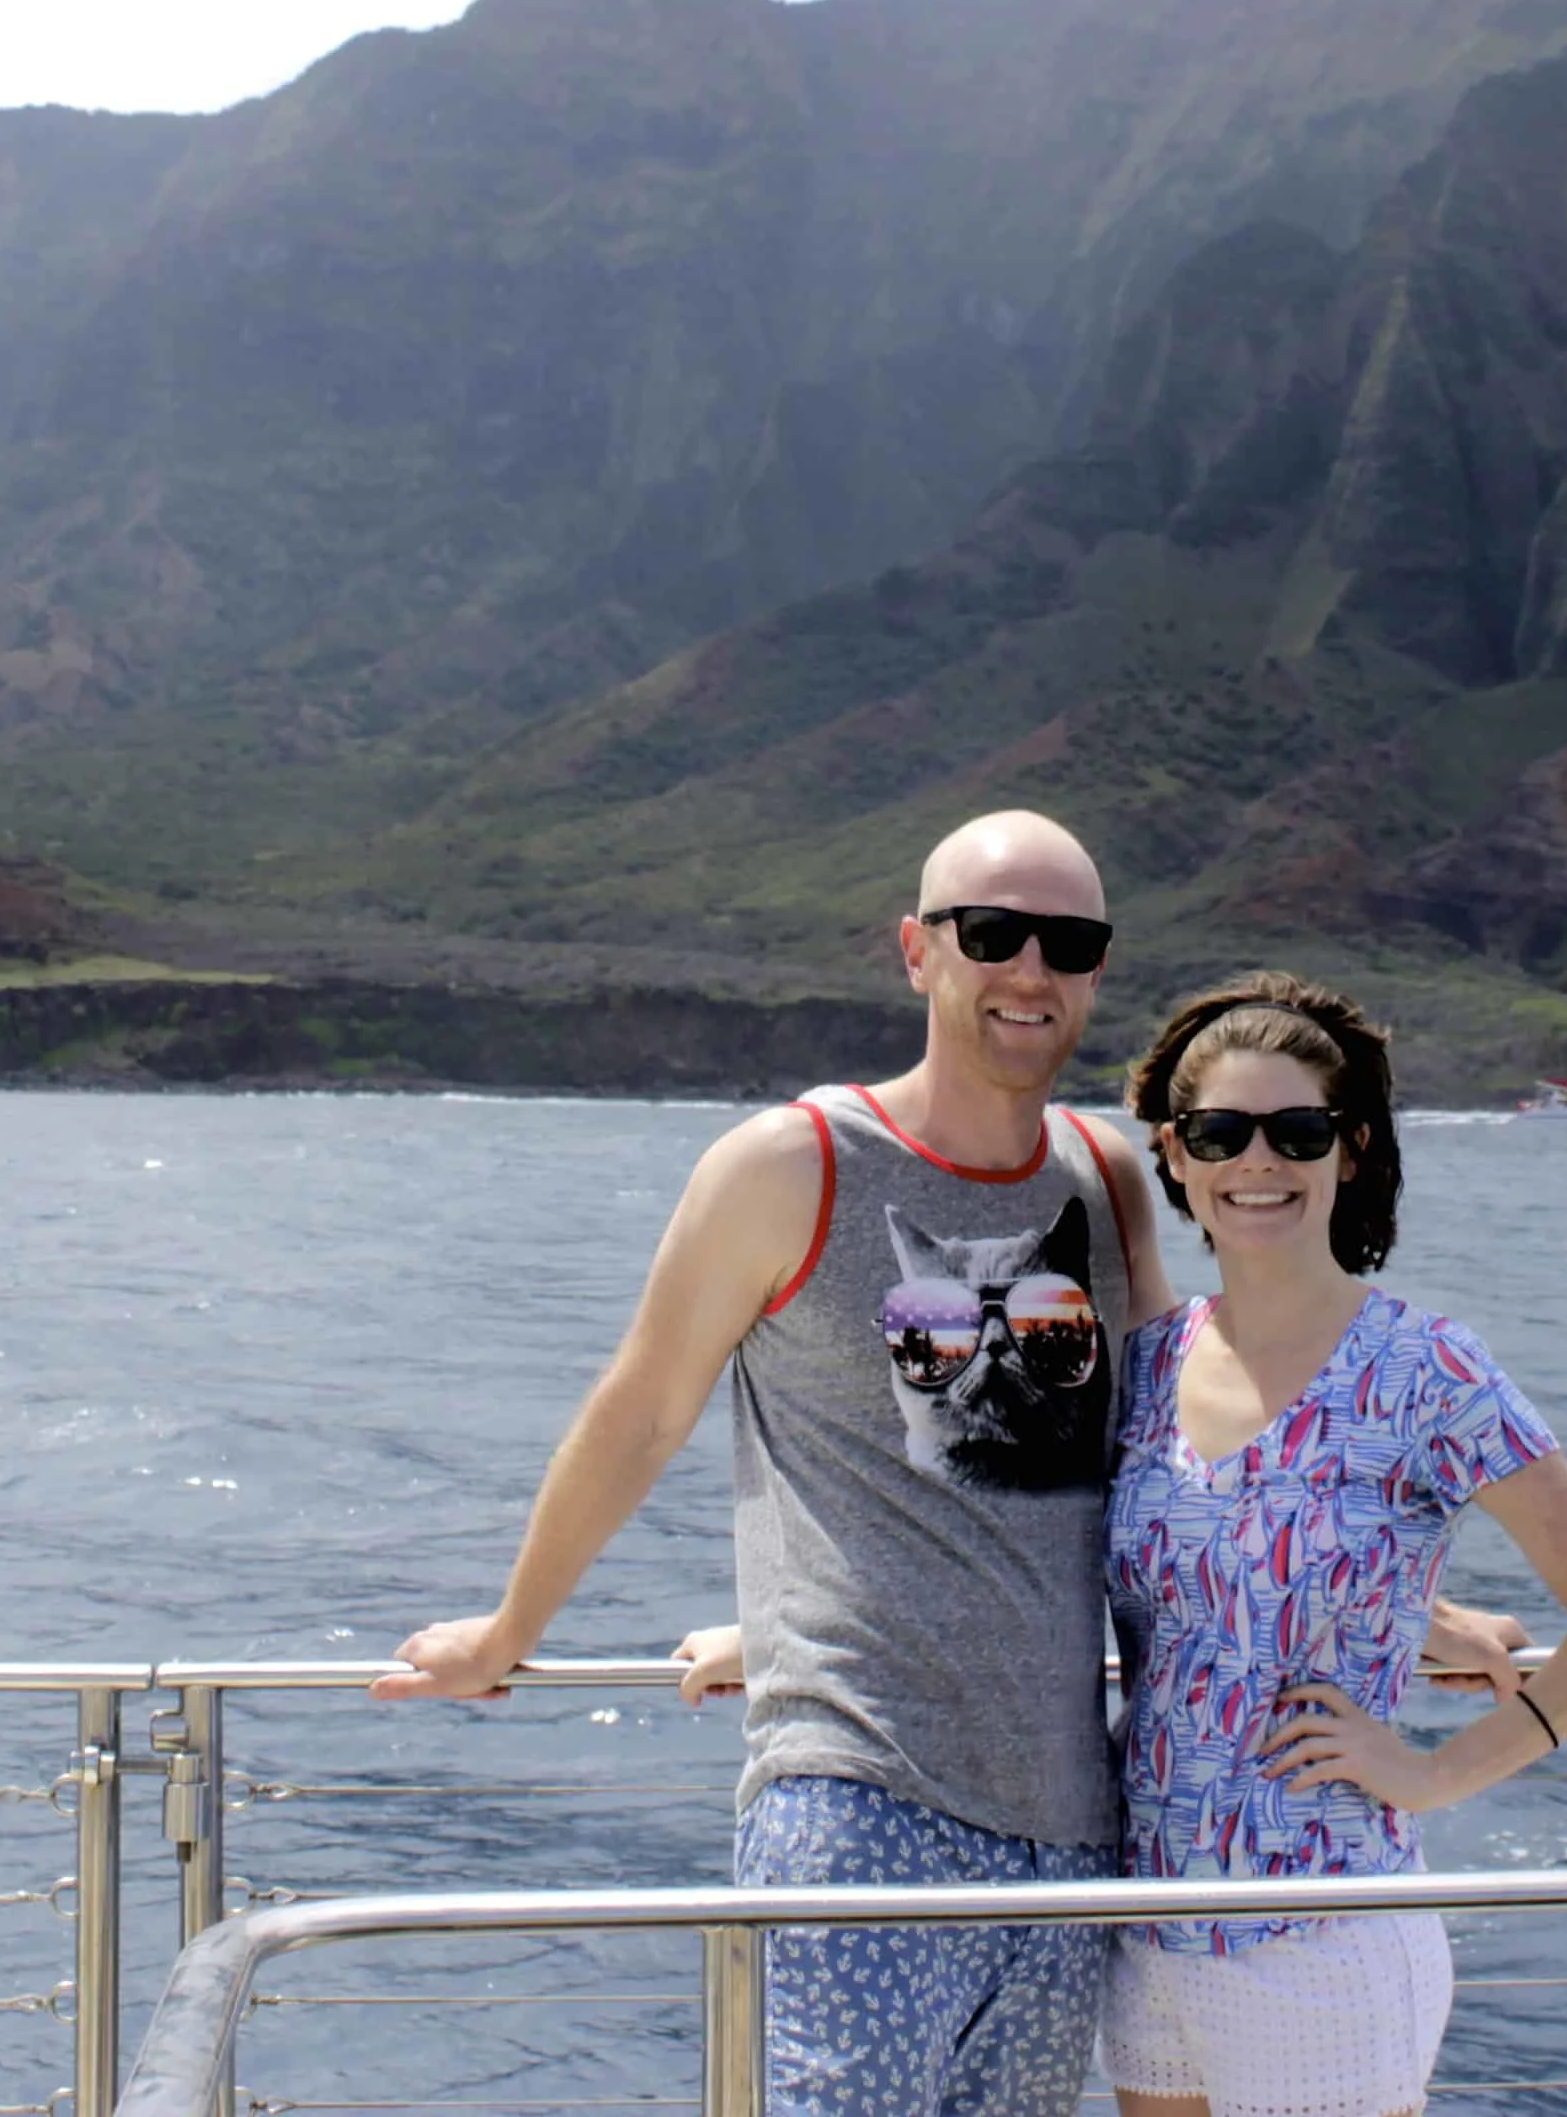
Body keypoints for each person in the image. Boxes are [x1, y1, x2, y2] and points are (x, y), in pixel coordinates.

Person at [376, 810, 1169, 2117]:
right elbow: (640, 1411)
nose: (1030, 970)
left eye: (1067, 943)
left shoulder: (1103, 1176)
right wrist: (512, 1627)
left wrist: (1398, 1604)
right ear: (919, 952)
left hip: (1074, 1827)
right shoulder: (790, 1165)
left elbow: (1170, 1462)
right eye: (993, 934)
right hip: (862, 1806)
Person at [1100, 971, 1567, 2117]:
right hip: (1143, 1920)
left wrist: (1431, 1773)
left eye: (1297, 1130)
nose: (1256, 1162)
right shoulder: (1148, 1362)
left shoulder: (1426, 1369)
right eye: (1221, 1131)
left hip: (1319, 1924)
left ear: (1350, 1149)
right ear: (1177, 1154)